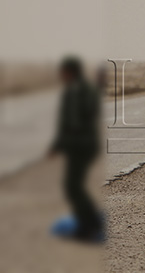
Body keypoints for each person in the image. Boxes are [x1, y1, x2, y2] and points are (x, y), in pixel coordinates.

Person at [49, 56, 103, 242]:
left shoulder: (76, 91)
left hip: (80, 145)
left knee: (73, 187)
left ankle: (88, 226)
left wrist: (59, 144)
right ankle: (92, 222)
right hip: (84, 144)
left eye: (63, 72)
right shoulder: (84, 89)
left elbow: (70, 123)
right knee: (75, 186)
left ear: (69, 72)